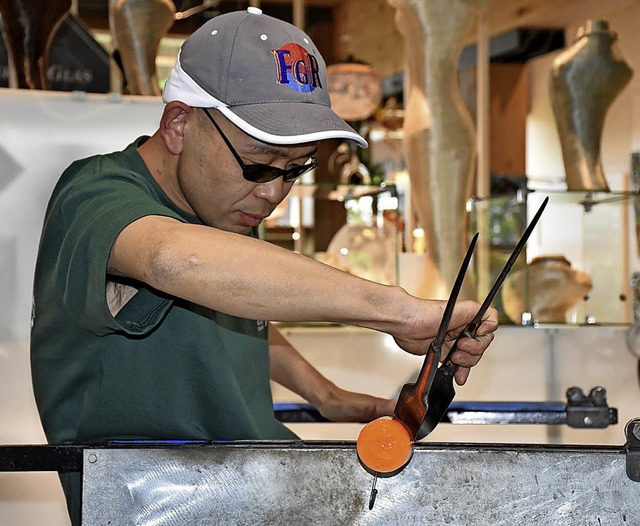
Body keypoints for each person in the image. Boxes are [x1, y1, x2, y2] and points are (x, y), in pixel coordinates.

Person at [30, 7, 498, 524]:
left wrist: (327, 395)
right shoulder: (96, 195)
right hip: (158, 503)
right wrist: (399, 312)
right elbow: (172, 260)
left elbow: (232, 315)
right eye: (257, 164)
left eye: (295, 170)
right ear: (179, 124)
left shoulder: (227, 204)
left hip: (258, 485)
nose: (273, 192)